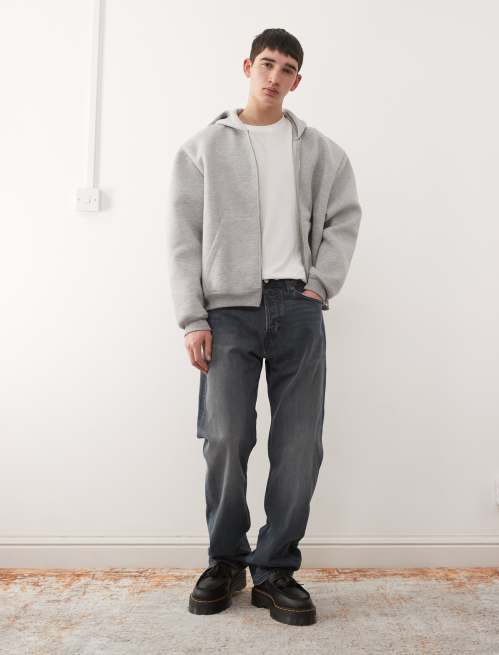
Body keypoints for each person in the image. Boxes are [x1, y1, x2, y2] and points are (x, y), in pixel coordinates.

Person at [168, 27, 362, 626]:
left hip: (297, 306)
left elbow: (343, 220)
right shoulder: (203, 148)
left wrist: (319, 285)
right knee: (225, 436)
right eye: (267, 65)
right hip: (226, 313)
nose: (275, 77)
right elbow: (183, 239)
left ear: (297, 81)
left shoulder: (321, 151)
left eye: (287, 70)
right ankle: (225, 560)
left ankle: (275, 569)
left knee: (301, 443)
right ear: (248, 66)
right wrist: (192, 318)